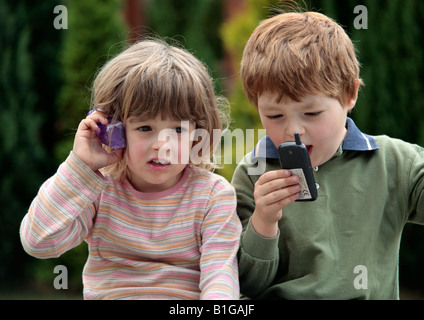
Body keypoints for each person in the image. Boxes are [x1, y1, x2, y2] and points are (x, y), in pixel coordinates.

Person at [20, 39, 242, 300]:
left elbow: (220, 277)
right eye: (145, 128)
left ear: (197, 134)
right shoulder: (98, 190)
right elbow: (38, 241)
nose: (162, 145)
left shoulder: (213, 196)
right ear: (113, 128)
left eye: (178, 130)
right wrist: (80, 167)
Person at [231, 10, 424, 299]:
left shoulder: (395, 162)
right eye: (274, 115)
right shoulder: (252, 172)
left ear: (350, 95)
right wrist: (264, 221)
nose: (293, 131)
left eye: (311, 113)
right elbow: (245, 284)